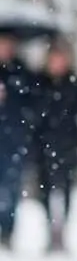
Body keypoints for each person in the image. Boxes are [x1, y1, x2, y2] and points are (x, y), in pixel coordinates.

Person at [33, 40, 77, 254]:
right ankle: (50, 228)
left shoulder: (75, 83)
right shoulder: (38, 82)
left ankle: (62, 230)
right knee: (45, 189)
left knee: (67, 188)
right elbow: (33, 114)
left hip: (69, 144)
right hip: (43, 144)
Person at [0, 33, 37, 249]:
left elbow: (33, 102)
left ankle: (7, 229)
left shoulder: (22, 72)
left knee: (11, 186)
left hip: (14, 138)